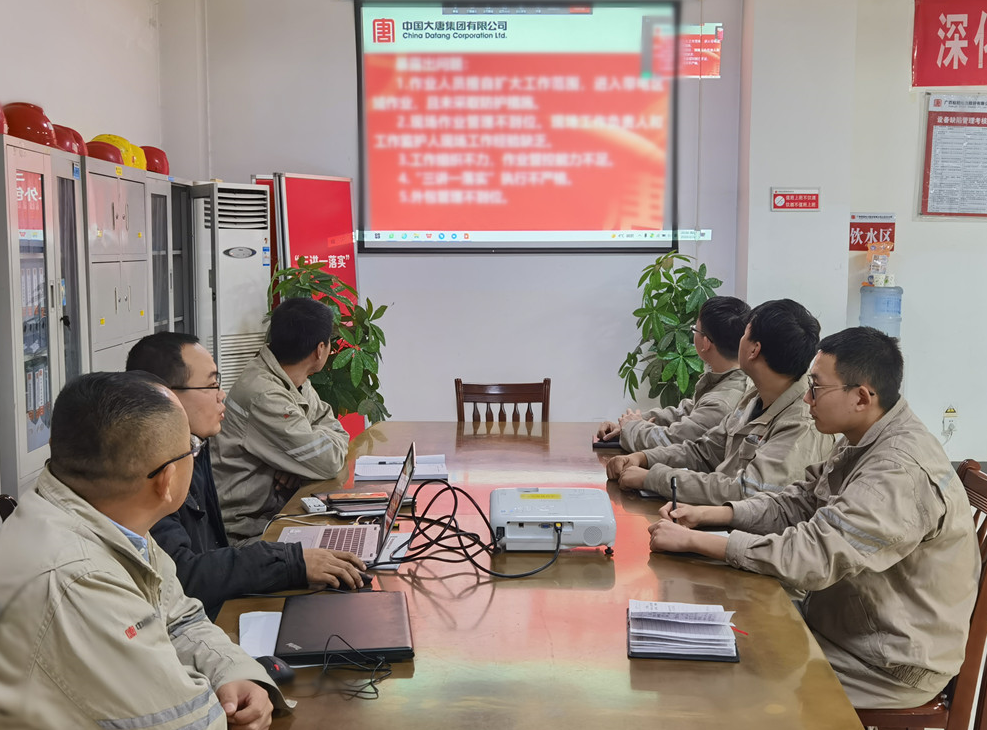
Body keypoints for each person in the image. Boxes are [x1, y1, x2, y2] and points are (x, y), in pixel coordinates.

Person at [647, 327, 979, 709]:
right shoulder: (865, 436)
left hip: (883, 661)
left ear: (861, 397)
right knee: (711, 636)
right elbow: (802, 502)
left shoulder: (897, 471)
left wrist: (698, 541)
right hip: (842, 624)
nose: (807, 398)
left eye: (816, 388)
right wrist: (714, 514)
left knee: (726, 678)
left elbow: (813, 555)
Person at [0, 371, 286, 729]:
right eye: (192, 447)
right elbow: (185, 723)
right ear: (166, 480)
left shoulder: (108, 516)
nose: (195, 455)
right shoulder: (75, 578)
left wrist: (235, 672)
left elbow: (179, 617)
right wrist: (228, 704)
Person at [126, 332, 366, 619]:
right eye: (211, 385)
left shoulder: (195, 446)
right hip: (207, 597)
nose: (222, 395)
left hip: (220, 583)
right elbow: (184, 576)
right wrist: (291, 562)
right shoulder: (152, 469)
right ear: (166, 395)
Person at [606, 298, 834, 504]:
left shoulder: (801, 424)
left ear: (754, 350)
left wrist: (655, 478)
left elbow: (745, 492)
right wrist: (644, 458)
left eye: (745, 334)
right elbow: (706, 451)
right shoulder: (756, 395)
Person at [213, 297, 351, 544]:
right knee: (341, 549)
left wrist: (296, 462)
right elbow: (328, 461)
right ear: (320, 349)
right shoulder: (264, 394)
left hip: (274, 514)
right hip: (245, 533)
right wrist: (301, 458)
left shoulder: (292, 378)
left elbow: (331, 427)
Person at [596, 295, 751, 451]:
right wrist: (630, 423)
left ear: (705, 343)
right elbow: (684, 412)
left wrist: (632, 427)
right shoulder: (724, 380)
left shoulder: (721, 402)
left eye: (694, 329)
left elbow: (671, 440)